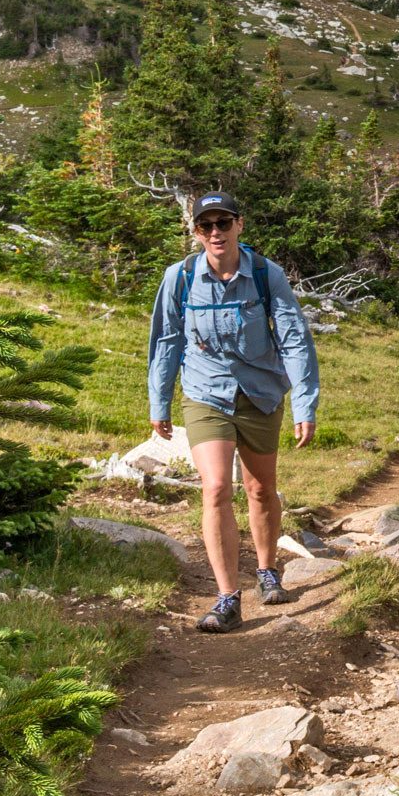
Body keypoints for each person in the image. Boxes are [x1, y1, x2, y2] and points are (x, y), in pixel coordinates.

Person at [147, 193, 320, 633]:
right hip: (206, 394)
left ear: (239, 225)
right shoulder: (180, 277)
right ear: (196, 232)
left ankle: (266, 570)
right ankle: (227, 597)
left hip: (260, 393)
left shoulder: (265, 274)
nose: (215, 233)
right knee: (217, 487)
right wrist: (159, 401)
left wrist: (304, 403)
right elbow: (167, 341)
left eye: (223, 223)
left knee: (261, 489)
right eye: (206, 226)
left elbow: (295, 339)